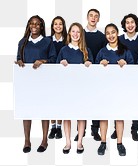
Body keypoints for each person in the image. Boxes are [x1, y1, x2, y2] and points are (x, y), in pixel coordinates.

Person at [15, 15, 57, 153]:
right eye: (31, 24)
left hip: (44, 81)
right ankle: (27, 140)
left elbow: (53, 59)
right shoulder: (23, 42)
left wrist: (43, 61)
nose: (34, 26)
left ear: (41, 26)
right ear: (28, 25)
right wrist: (20, 62)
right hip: (27, 82)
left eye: (37, 24)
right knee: (26, 110)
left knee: (43, 109)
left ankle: (44, 140)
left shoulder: (47, 42)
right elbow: (19, 58)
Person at [96, 23, 134, 156]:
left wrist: (126, 64)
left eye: (113, 32)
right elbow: (94, 72)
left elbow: (134, 70)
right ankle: (103, 142)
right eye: (107, 33)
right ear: (105, 36)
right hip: (104, 89)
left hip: (120, 89)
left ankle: (119, 143)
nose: (110, 35)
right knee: (104, 116)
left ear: (117, 33)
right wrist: (100, 65)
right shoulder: (102, 51)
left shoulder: (125, 51)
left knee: (119, 116)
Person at [56, 22, 93, 154]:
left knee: (81, 115)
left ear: (81, 34)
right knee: (67, 115)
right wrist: (61, 64)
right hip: (67, 88)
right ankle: (68, 142)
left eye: (78, 32)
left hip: (82, 89)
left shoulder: (86, 51)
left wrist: (89, 64)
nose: (75, 34)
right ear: (69, 33)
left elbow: (93, 71)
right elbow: (55, 70)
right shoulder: (64, 50)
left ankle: (80, 142)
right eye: (73, 31)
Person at [110, 13, 138, 141]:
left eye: (132, 22)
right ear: (124, 25)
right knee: (118, 102)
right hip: (119, 77)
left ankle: (134, 129)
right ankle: (116, 129)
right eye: (127, 23)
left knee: (136, 103)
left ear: (136, 24)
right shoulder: (118, 39)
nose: (130, 25)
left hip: (137, 77)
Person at [74, 9, 107, 142]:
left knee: (96, 101)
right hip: (81, 73)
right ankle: (80, 131)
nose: (93, 18)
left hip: (96, 72)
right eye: (91, 16)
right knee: (81, 100)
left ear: (98, 19)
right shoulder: (80, 33)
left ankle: (95, 129)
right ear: (87, 17)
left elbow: (104, 52)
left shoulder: (101, 36)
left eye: (96, 16)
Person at [48, 16, 67, 140]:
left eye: (60, 24)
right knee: (51, 100)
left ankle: (59, 127)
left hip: (63, 74)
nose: (58, 26)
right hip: (50, 74)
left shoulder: (67, 40)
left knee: (61, 100)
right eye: (56, 24)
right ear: (52, 26)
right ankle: (53, 126)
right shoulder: (47, 40)